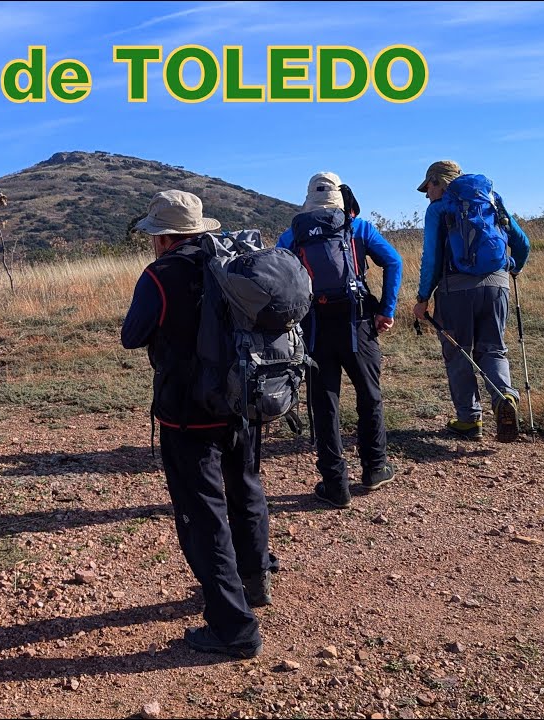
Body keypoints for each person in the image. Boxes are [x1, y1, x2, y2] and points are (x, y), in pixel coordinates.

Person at [121, 190, 267, 659]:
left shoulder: (161, 275)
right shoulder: (232, 264)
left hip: (187, 414)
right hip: (242, 400)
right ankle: (255, 578)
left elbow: (132, 335)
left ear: (164, 238)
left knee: (203, 514)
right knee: (245, 488)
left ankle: (233, 626)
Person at [277, 173, 402, 509]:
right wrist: (386, 310)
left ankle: (335, 485)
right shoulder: (358, 228)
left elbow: (279, 280)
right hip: (357, 323)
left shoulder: (292, 235)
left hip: (314, 329)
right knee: (369, 395)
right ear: (341, 198)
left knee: (325, 405)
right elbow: (393, 261)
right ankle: (375, 468)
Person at [411, 161, 530, 442]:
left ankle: (469, 420)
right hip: (497, 286)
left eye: (428, 188)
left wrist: (422, 297)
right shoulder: (491, 199)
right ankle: (505, 398)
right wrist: (514, 267)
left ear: (439, 183)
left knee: (459, 352)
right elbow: (522, 242)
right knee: (493, 349)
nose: (427, 194)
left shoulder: (438, 210)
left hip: (455, 291)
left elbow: (431, 258)